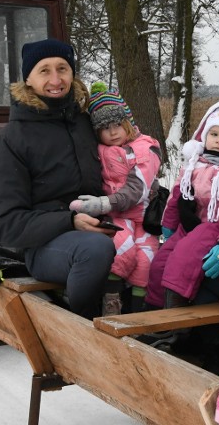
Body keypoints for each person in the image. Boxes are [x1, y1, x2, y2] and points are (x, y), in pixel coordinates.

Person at [0, 38, 116, 319]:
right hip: (47, 244)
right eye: (44, 70)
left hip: (99, 221)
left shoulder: (85, 124)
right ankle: (84, 328)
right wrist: (69, 220)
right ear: (28, 80)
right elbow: (5, 225)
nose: (56, 79)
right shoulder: (11, 140)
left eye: (63, 68)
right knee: (95, 249)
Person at [145, 97, 219, 313]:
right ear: (204, 136)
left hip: (215, 226)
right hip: (189, 224)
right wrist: (168, 225)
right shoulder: (193, 165)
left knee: (183, 257)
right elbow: (177, 195)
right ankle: (152, 312)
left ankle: (174, 318)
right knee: (160, 261)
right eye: (214, 134)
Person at [69, 81, 162, 315]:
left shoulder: (144, 149)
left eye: (117, 124)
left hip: (142, 217)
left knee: (146, 260)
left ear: (127, 122)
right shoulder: (98, 150)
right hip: (117, 217)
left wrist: (102, 203)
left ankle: (139, 312)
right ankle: (111, 301)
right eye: (104, 127)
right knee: (121, 251)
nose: (112, 132)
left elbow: (136, 189)